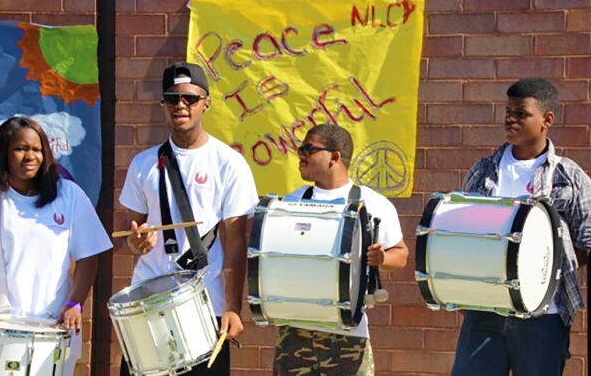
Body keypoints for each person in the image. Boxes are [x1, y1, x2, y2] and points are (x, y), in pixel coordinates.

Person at [451, 77, 591, 376]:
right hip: (486, 310)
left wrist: (540, 272)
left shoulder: (570, 178)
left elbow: (588, 244)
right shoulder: (483, 171)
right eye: (508, 111)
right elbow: (462, 231)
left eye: (521, 113)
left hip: (544, 314)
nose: (510, 119)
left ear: (546, 120)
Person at [119, 62, 258, 375]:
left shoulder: (229, 164)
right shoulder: (143, 164)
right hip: (149, 302)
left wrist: (233, 307)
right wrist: (137, 243)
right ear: (163, 105)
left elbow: (235, 242)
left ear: (206, 103)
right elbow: (134, 233)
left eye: (190, 99)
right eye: (172, 99)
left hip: (204, 303)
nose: (180, 105)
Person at [0, 116, 112, 375]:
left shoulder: (69, 195)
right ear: (4, 154)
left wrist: (74, 304)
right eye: (20, 149)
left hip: (52, 330)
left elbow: (89, 259)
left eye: (36, 149)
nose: (30, 156)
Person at [273, 123, 409, 376]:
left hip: (347, 334)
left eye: (308, 149)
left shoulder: (373, 203)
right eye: (301, 148)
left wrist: (381, 258)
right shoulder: (293, 200)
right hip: (295, 330)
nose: (300, 155)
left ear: (335, 156)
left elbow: (401, 254)